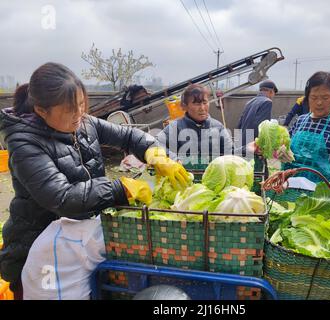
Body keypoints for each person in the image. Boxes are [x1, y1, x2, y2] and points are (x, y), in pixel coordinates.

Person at [0, 62, 191, 299]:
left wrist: (154, 153)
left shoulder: (84, 122)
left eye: (81, 103)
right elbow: (62, 197)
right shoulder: (24, 143)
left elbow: (128, 135)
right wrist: (120, 188)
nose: (79, 113)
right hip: (40, 252)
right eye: (70, 109)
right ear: (41, 111)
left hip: (81, 243)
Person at [157, 84, 234, 161]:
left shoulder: (218, 127)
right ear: (185, 106)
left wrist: (244, 149)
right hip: (183, 172)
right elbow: (155, 145)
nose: (202, 108)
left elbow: (231, 152)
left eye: (205, 102)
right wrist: (174, 159)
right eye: (197, 104)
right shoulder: (175, 127)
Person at [237, 80, 278, 146]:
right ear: (271, 91)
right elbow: (263, 126)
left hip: (242, 142)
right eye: (273, 94)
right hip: (253, 145)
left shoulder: (250, 102)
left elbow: (239, 123)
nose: (272, 97)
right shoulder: (267, 102)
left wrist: (238, 142)